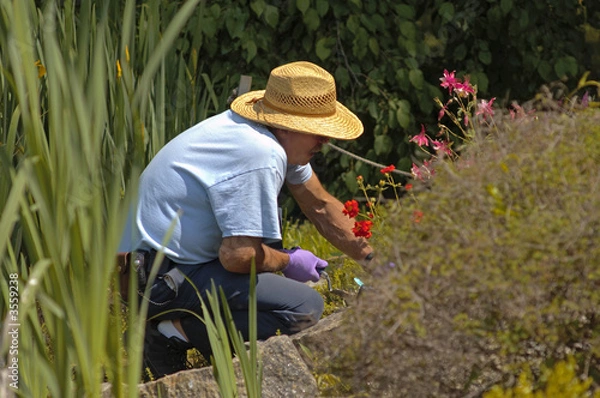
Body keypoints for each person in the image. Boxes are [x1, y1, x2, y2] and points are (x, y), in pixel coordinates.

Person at [119, 61, 374, 380]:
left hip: (173, 267)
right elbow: (237, 255)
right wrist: (287, 261)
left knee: (284, 286)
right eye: (319, 131)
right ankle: (167, 334)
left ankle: (175, 330)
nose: (325, 141)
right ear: (287, 125)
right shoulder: (259, 153)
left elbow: (320, 206)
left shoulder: (265, 137)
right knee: (303, 308)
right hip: (157, 280)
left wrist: (372, 259)